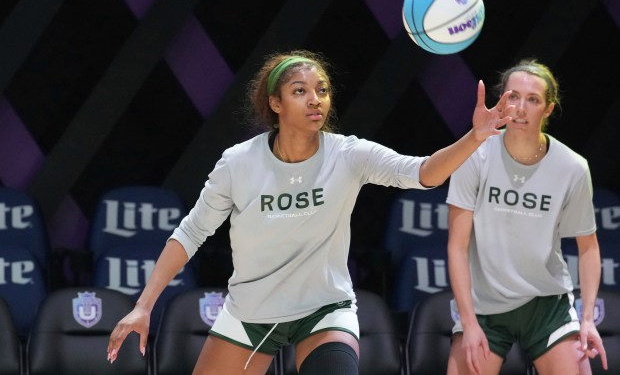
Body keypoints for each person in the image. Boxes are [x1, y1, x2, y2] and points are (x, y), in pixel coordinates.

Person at [107, 49, 512, 375]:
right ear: (275, 103)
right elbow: (190, 234)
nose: (315, 99)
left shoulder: (348, 155)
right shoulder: (238, 163)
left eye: (322, 89)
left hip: (324, 309)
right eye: (300, 91)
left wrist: (475, 138)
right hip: (253, 312)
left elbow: (423, 172)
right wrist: (144, 306)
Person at [446, 59, 608, 375]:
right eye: (513, 97)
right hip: (485, 305)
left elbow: (588, 247)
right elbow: (457, 247)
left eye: (532, 99)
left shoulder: (572, 168)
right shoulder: (473, 155)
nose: (520, 108)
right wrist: (468, 323)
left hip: (547, 305)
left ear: (547, 109)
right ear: (501, 100)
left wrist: (587, 319)